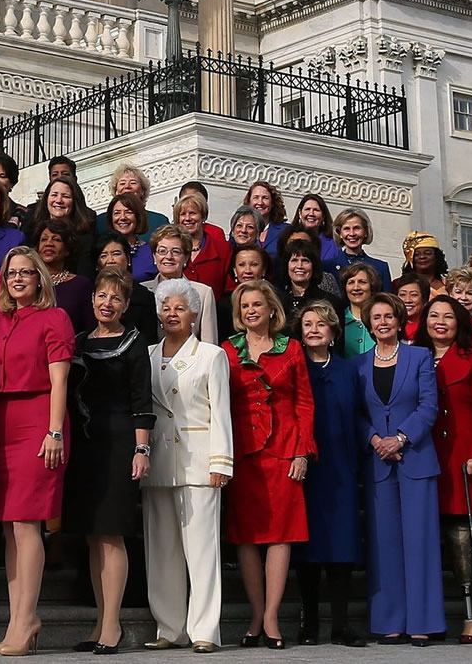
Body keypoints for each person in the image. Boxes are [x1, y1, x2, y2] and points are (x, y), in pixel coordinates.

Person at [0, 247, 75, 656]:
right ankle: (19, 618)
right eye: (11, 273)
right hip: (2, 422)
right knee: (8, 525)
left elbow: (59, 381)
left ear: (39, 279)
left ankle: (26, 618)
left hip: (39, 419)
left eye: (25, 273)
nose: (17, 279)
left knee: (26, 523)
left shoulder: (55, 317)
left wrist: (54, 431)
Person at [65, 267, 154, 655]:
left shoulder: (134, 342)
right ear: (93, 300)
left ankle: (113, 625)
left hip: (120, 443)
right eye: (102, 296)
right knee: (91, 535)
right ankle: (100, 621)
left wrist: (141, 449)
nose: (107, 303)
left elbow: (141, 400)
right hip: (86, 445)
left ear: (125, 304)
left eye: (116, 298)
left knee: (112, 533)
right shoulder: (81, 340)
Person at [222, 281, 316, 649]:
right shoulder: (228, 350)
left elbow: (305, 404)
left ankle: (274, 617)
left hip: (283, 451)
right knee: (246, 538)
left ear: (271, 309)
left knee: (280, 536)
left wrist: (301, 452)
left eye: (257, 304)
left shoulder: (291, 349)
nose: (250, 311)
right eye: (244, 305)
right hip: (244, 454)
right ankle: (256, 615)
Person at [142, 279, 233, 653]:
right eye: (166, 308)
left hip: (199, 461)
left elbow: (221, 412)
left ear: (195, 314)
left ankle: (204, 631)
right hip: (159, 461)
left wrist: (221, 461)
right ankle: (169, 627)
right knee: (161, 550)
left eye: (180, 308)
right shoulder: (146, 354)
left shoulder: (212, 355)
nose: (172, 314)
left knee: (202, 549)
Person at [414, 295, 472, 644]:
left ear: (460, 322)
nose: (440, 322)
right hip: (424, 456)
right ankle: (426, 613)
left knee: (463, 538)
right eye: (433, 315)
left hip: (462, 459)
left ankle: (471, 615)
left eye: (448, 317)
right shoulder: (415, 355)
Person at [357, 293, 442, 646]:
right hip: (378, 462)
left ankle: (422, 621)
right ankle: (391, 620)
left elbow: (429, 405)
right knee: (384, 545)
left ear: (399, 319)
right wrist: (376, 439)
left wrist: (401, 438)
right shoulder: (358, 364)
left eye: (388, 316)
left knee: (420, 542)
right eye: (376, 317)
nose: (382, 323)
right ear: (369, 324)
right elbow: (356, 413)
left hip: (415, 458)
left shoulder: (420, 356)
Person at [292, 301, 366, 647]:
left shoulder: (350, 370)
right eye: (308, 324)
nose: (314, 330)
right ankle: (309, 624)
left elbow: (360, 416)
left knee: (342, 547)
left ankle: (341, 624)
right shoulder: (294, 367)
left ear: (334, 331)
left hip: (342, 467)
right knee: (307, 550)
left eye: (321, 324)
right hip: (305, 466)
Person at [143, 225, 217, 344]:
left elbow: (209, 344)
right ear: (154, 256)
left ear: (186, 257)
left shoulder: (203, 293)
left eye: (176, 252)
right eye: (162, 251)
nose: (168, 257)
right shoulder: (142, 291)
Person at [30, 217, 94, 334]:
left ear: (67, 249)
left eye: (56, 240)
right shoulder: (28, 283)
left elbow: (90, 329)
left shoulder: (81, 285)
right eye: (43, 239)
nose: (49, 243)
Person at [30, 176, 97, 278]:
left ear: (75, 202)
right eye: (54, 195)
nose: (59, 200)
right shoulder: (33, 230)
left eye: (65, 196)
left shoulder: (86, 238)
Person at [95, 233, 157, 340]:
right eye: (103, 255)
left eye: (116, 253)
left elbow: (149, 339)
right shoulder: (86, 292)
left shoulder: (144, 296)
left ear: (128, 258)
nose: (110, 260)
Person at [175, 192, 232, 298]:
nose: (187, 218)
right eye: (183, 214)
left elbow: (229, 289)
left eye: (192, 213)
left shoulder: (223, 249)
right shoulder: (171, 251)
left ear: (203, 217)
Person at [276, 239, 343, 325]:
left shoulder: (331, 302)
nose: (299, 266)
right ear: (287, 265)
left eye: (305, 261)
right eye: (294, 260)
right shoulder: (278, 302)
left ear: (314, 266)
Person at [324, 207, 392, 289]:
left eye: (357, 228)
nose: (352, 233)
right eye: (346, 229)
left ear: (365, 232)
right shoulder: (327, 266)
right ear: (340, 234)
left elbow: (387, 300)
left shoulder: (381, 268)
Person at [97, 162, 168, 236]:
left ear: (142, 191)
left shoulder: (159, 221)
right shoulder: (101, 222)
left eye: (133, 183)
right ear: (116, 191)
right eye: (122, 183)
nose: (127, 186)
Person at [219, 244, 270, 343]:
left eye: (254, 264)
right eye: (241, 265)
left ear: (264, 269)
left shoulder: (278, 299)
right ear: (234, 270)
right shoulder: (223, 305)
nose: (247, 270)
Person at [102, 192, 156, 281]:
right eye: (117, 213)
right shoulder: (102, 252)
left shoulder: (151, 251)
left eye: (128, 212)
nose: (122, 217)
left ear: (138, 217)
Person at [244, 181, 289, 256]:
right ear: (249, 202)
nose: (260, 202)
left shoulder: (285, 231)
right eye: (256, 197)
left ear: (272, 203)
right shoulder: (240, 230)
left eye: (265, 198)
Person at [292, 193, 340, 263]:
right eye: (307, 209)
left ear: (323, 216)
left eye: (316, 210)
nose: (311, 213)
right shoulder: (289, 239)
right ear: (300, 213)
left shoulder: (334, 245)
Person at [400, 232, 447, 297]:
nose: (422, 257)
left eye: (427, 253)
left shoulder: (449, 284)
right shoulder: (398, 284)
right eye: (416, 254)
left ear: (436, 256)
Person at [392, 273, 429, 343]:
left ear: (424, 299)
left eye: (414, 295)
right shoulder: (390, 326)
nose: (407, 300)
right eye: (402, 295)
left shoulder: (430, 327)